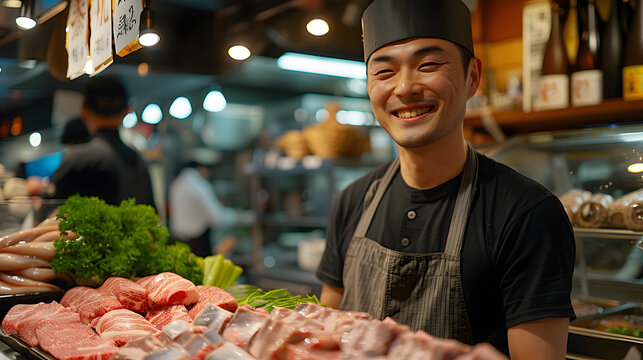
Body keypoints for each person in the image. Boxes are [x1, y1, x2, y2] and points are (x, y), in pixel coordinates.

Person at [315, 0, 576, 359]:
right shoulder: (352, 201)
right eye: (384, 72)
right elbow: (324, 338)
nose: (405, 88)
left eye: (428, 65)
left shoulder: (527, 213)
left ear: (472, 77)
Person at [51, 76, 155, 208]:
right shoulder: (139, 163)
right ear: (126, 112)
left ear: (84, 111)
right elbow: (152, 216)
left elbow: (51, 212)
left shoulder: (76, 158)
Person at [169, 160, 254, 257]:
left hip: (178, 240)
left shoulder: (177, 183)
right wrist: (241, 217)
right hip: (197, 242)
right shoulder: (199, 185)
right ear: (200, 168)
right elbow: (216, 217)